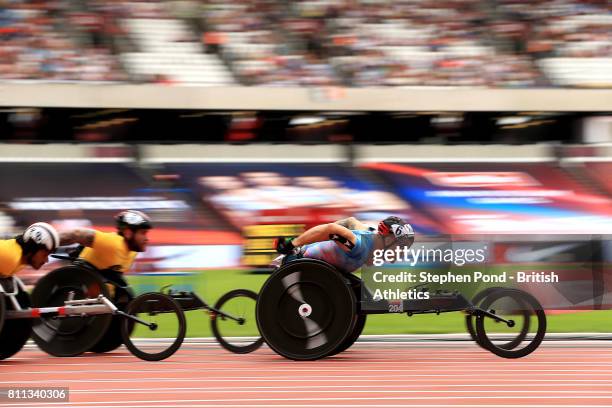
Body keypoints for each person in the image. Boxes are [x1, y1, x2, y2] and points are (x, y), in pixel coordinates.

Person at [274, 216, 414, 273]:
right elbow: (331, 230)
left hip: (308, 265)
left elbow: (350, 221)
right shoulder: (359, 247)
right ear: (388, 240)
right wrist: (292, 245)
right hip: (297, 265)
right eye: (401, 247)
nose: (402, 253)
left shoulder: (369, 233)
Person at [59, 210, 152, 291]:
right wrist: (49, 240)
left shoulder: (132, 252)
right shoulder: (112, 243)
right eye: (143, 233)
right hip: (78, 290)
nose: (147, 239)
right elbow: (76, 234)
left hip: (102, 297)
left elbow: (114, 277)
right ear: (128, 233)